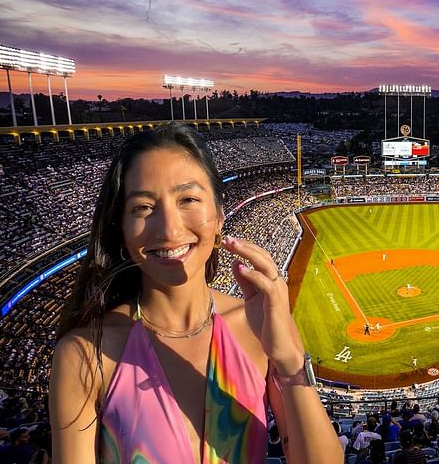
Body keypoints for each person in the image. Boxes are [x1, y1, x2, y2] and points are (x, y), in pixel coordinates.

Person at [49, 123, 342, 463]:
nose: (170, 229)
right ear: (121, 227)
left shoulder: (259, 327)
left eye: (188, 199)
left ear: (219, 214)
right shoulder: (83, 354)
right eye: (143, 207)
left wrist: (290, 363)